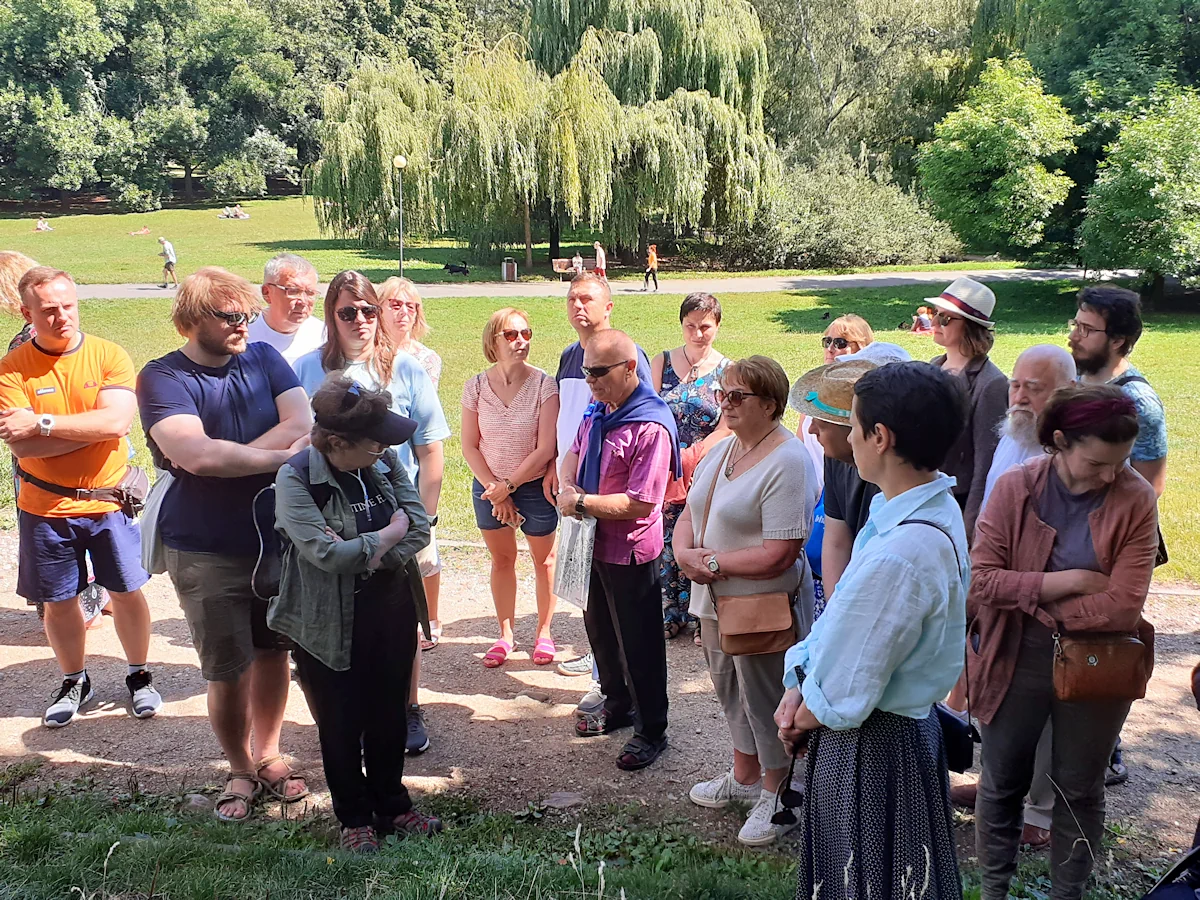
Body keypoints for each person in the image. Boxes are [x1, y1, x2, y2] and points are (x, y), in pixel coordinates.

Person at [776, 361, 969, 900]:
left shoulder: (905, 551)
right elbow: (839, 627)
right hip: (880, 737)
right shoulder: (903, 511)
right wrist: (798, 685)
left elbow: (846, 686)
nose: (846, 435)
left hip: (874, 747)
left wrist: (799, 714)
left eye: (853, 424)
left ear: (879, 437)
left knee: (865, 880)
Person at [969, 383, 1158, 900]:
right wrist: (1068, 582)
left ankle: (1067, 895)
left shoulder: (1136, 497)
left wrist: (1027, 596)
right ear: (1059, 441)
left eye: (1119, 462)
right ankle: (992, 892)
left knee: (1079, 790)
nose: (1111, 475)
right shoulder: (1016, 488)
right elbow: (980, 580)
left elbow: (1124, 606)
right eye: (1097, 463)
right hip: (1015, 652)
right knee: (1001, 779)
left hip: (1100, 660)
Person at [138, 266, 313, 821]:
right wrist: (271, 459)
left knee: (272, 654)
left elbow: (302, 422)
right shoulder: (162, 377)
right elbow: (195, 455)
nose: (244, 326)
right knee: (226, 666)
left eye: (248, 315)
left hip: (274, 540)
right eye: (230, 316)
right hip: (205, 545)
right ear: (193, 320)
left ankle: (269, 754)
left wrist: (227, 460)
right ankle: (239, 767)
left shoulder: (263, 358)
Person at [271, 377, 442, 852]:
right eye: (375, 439)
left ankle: (393, 805)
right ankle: (353, 817)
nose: (387, 446)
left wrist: (365, 551)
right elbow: (327, 556)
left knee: (390, 714)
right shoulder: (295, 478)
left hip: (389, 606)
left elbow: (419, 526)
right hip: (324, 618)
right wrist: (386, 537)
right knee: (340, 721)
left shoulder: (382, 461)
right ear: (339, 443)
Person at [294, 271, 449, 756]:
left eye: (368, 310)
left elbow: (430, 451)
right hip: (327, 518)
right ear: (331, 316)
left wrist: (421, 521)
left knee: (399, 618)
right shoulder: (304, 369)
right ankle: (346, 716)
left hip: (394, 515)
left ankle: (407, 707)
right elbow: (297, 447)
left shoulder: (405, 369)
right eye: (347, 312)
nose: (360, 320)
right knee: (338, 615)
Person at [0, 267, 160, 727]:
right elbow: (22, 445)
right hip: (44, 507)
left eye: (67, 306)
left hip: (109, 501)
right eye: (48, 310)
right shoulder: (11, 369)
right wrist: (83, 429)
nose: (61, 317)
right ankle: (74, 679)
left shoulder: (109, 355)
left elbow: (114, 424)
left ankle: (139, 674)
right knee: (58, 600)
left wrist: (44, 423)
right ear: (27, 313)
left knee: (127, 590)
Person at [675, 356, 817, 846]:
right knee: (729, 689)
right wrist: (681, 549)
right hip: (714, 601)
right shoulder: (724, 450)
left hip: (761, 604)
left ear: (771, 405)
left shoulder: (789, 460)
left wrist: (710, 563)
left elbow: (781, 552)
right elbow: (691, 511)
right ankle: (743, 777)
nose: (727, 403)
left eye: (740, 396)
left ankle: (777, 795)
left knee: (766, 698)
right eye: (724, 394)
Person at [947, 343, 1077, 843]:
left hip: (1039, 597)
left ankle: (1041, 814)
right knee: (997, 687)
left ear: (1063, 393)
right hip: (996, 580)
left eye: (1033, 389)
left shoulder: (1066, 446)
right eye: (1015, 385)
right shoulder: (1016, 430)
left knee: (1045, 695)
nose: (1018, 396)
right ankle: (999, 784)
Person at [557, 329, 679, 770]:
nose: (589, 380)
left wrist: (581, 502)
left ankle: (651, 729)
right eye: (585, 371)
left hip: (628, 550)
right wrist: (568, 483)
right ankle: (616, 701)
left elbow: (643, 501)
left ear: (630, 368)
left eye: (598, 372)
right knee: (601, 633)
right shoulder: (599, 409)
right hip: (589, 543)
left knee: (639, 643)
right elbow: (573, 450)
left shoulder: (650, 424)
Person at [1068, 284, 1167, 786]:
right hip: (1068, 537)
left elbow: (1149, 482)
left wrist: (1112, 548)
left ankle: (1105, 750)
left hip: (1113, 546)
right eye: (1075, 324)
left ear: (1121, 339)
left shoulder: (1137, 401)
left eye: (1088, 330)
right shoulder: (1076, 383)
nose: (1075, 337)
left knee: (1107, 644)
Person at [551, 273, 653, 683]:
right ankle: (603, 671)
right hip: (573, 490)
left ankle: (620, 684)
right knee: (589, 597)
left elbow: (639, 418)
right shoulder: (565, 357)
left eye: (588, 299)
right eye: (572, 299)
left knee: (625, 609)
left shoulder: (630, 355)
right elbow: (568, 423)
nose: (579, 306)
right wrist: (560, 475)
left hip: (612, 501)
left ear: (608, 306)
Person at [462, 308, 560, 667]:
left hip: (533, 486)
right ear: (494, 340)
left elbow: (546, 447)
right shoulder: (474, 386)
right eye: (512, 335)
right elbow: (470, 445)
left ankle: (544, 633)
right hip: (488, 487)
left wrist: (509, 486)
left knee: (543, 561)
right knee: (502, 560)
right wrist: (494, 489)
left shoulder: (544, 385)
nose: (521, 341)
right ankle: (505, 635)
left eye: (526, 334)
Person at [790, 343, 912, 600]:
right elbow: (836, 539)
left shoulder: (897, 474)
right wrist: (835, 609)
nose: (812, 429)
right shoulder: (834, 456)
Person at [651, 292, 730, 642]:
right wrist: (667, 457)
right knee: (664, 538)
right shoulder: (662, 362)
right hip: (663, 465)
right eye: (690, 326)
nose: (698, 333)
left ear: (717, 326)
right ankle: (669, 611)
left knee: (701, 535)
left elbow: (727, 426)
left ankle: (700, 617)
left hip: (706, 464)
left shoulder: (729, 370)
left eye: (705, 327)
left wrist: (694, 455)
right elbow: (650, 413)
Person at [378, 277, 445, 651]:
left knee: (425, 549)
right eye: (396, 305)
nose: (404, 312)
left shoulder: (425, 359)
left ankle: (430, 618)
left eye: (411, 306)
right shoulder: (365, 351)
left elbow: (424, 423)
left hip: (412, 465)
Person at [928, 276, 1007, 538]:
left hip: (956, 501)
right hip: (924, 493)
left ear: (972, 328)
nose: (935, 322)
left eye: (946, 318)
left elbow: (985, 463)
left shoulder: (992, 384)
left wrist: (970, 524)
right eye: (934, 313)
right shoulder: (932, 367)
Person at [247, 254, 325, 367]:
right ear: (266, 292)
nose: (303, 301)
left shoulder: (324, 337)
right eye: (293, 291)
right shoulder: (244, 336)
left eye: (310, 293)